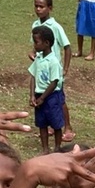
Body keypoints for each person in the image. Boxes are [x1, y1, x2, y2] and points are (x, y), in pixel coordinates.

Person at [29, 25, 64, 153]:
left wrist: (43, 97)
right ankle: (45, 148)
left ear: (47, 43)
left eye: (36, 42)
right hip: (39, 95)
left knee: (56, 123)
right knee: (41, 123)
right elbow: (33, 75)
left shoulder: (53, 61)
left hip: (51, 96)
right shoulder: (38, 58)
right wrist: (32, 95)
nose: (34, 45)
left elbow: (54, 82)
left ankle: (57, 148)